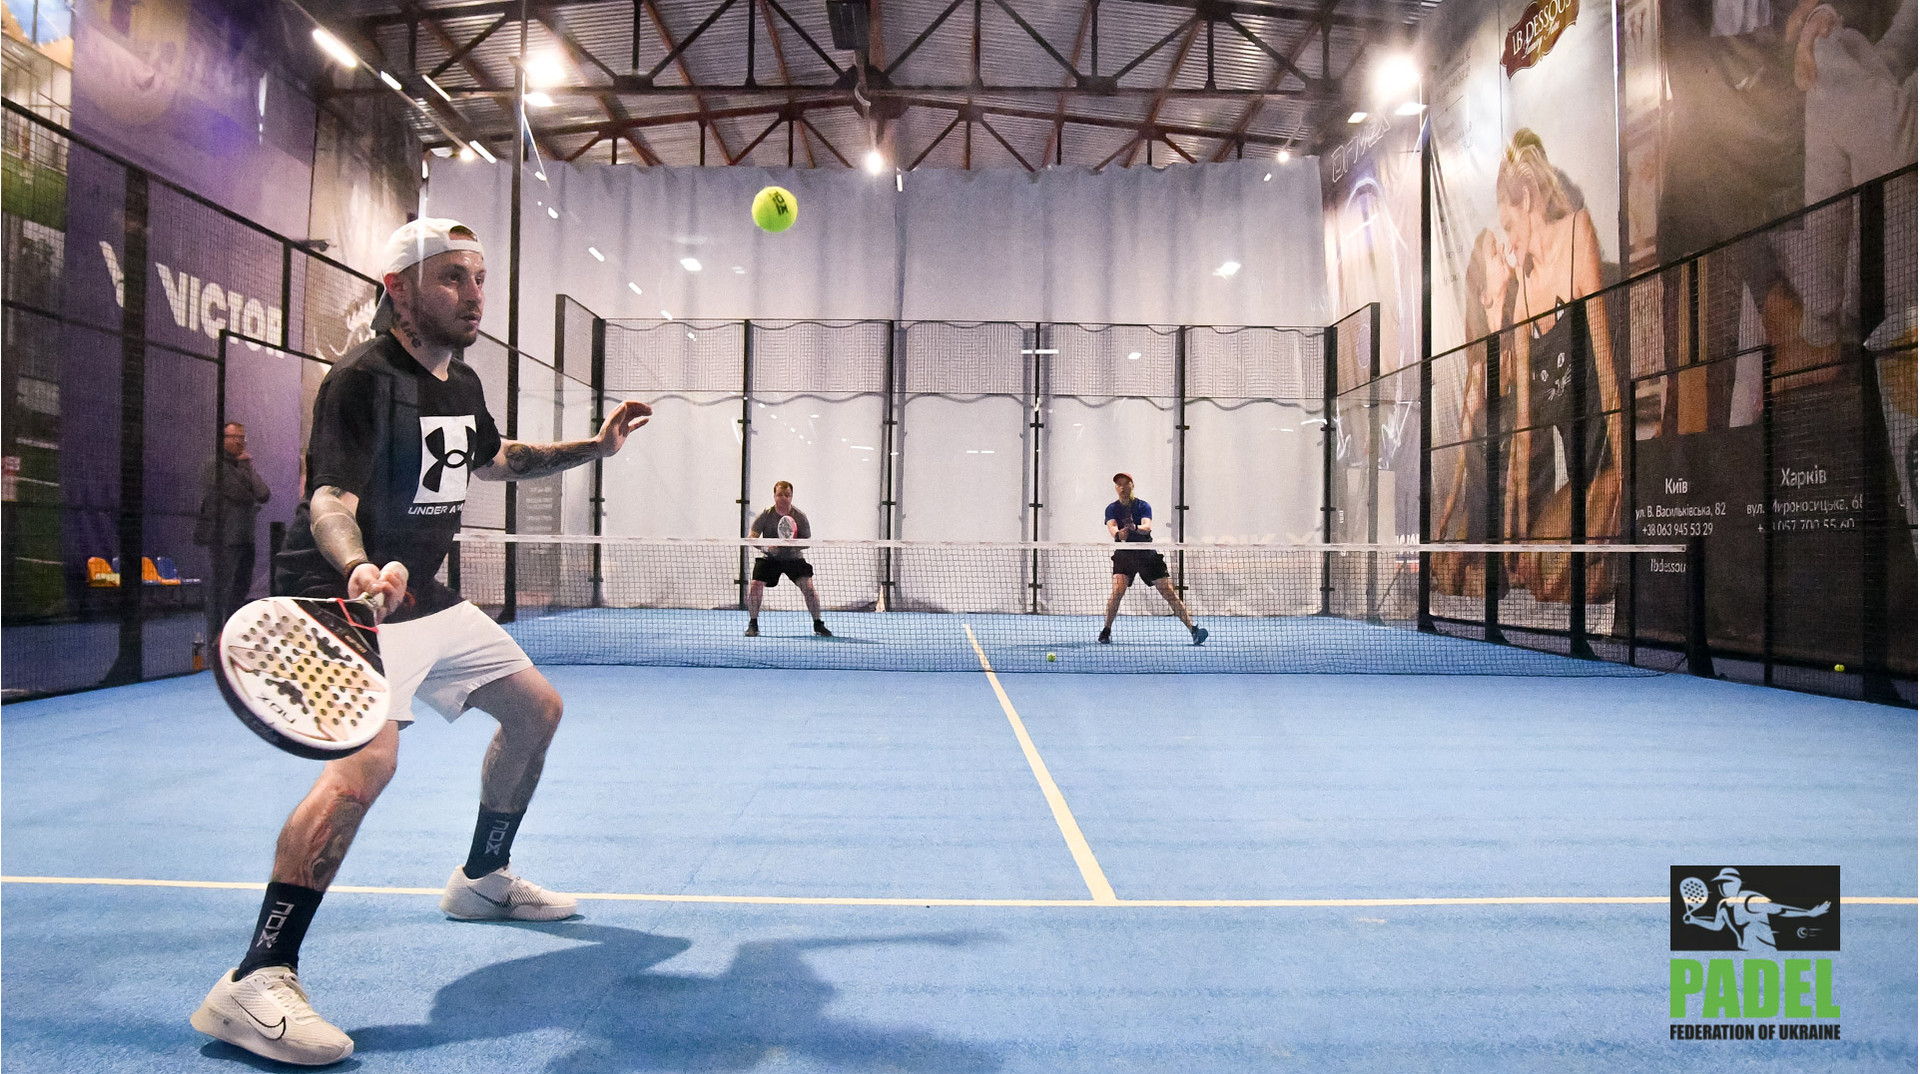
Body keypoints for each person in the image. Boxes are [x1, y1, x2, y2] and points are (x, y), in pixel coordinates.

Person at [189, 218, 653, 1066]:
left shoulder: (461, 379)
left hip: (426, 594)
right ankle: (255, 978)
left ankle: (481, 880)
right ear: (398, 289)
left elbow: (497, 458)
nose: (474, 292)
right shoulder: (362, 380)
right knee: (366, 770)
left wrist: (597, 445)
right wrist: (361, 567)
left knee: (536, 710)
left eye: (478, 277)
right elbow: (328, 495)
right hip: (345, 598)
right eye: (451, 278)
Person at [1496, 131, 1626, 603]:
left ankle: (1602, 548)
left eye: (1509, 226)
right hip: (1578, 478)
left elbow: (1607, 368)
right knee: (1538, 578)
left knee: (1576, 589)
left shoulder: (1578, 232)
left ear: (1528, 200)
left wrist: (1625, 476)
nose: (1509, 241)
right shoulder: (1525, 294)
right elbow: (1524, 428)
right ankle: (1577, 555)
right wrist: (1512, 532)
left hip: (1606, 460)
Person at [1097, 472, 1207, 646]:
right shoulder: (1111, 508)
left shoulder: (1142, 506)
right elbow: (1113, 530)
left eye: (1126, 483)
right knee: (1118, 590)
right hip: (1124, 554)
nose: (1122, 487)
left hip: (1146, 553)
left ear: (1132, 485)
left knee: (1168, 591)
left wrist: (1134, 527)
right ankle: (1106, 630)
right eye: (1119, 484)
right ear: (1116, 488)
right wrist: (1121, 533)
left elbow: (1147, 527)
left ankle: (1193, 629)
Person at [195, 421, 271, 626]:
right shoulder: (214, 465)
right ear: (222, 440)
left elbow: (263, 494)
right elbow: (240, 494)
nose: (239, 441)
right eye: (233, 437)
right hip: (223, 538)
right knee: (222, 590)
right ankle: (215, 633)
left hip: (245, 537)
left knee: (241, 589)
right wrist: (249, 489)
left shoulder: (244, 466)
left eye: (241, 437)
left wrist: (249, 468)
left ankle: (232, 629)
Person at [744, 480, 831, 637]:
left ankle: (818, 624)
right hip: (770, 558)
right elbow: (752, 537)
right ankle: (753, 623)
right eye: (780, 495)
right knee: (755, 585)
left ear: (792, 496)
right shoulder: (766, 515)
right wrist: (767, 547)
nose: (783, 498)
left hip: (794, 559)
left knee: (809, 588)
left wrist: (792, 545)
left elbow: (807, 542)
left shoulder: (800, 516)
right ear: (774, 496)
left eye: (787, 495)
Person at [1683, 867, 1832, 951]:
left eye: (1728, 882)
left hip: (1765, 952)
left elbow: (1780, 910)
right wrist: (1695, 920)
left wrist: (1809, 913)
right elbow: (1717, 926)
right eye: (1721, 883)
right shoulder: (1722, 905)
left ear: (1737, 884)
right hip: (1743, 952)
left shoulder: (1751, 900)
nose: (1723, 886)